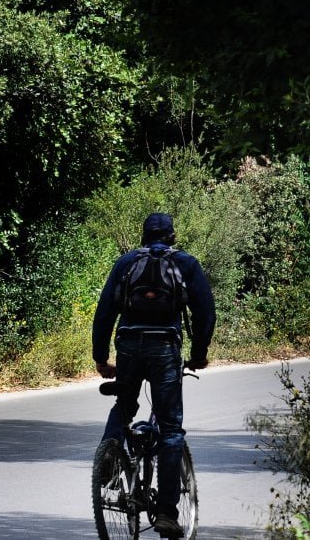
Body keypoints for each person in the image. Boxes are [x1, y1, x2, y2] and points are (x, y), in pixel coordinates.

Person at [92, 212, 215, 538]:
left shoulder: (126, 262)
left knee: (124, 405)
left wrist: (101, 358)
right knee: (170, 429)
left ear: (144, 236)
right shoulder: (185, 263)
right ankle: (166, 514)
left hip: (129, 346)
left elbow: (104, 312)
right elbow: (205, 313)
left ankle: (109, 457)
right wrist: (199, 354)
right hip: (165, 349)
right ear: (172, 236)